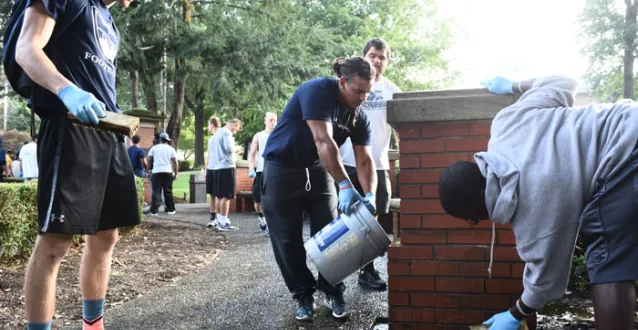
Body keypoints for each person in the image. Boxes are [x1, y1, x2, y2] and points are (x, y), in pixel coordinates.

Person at [437, 76, 638, 330]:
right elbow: (564, 81)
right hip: (628, 117)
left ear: (475, 206)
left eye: (473, 219)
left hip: (623, 154)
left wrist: (513, 315)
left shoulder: (530, 219)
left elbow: (545, 283)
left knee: (608, 258)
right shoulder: (505, 123)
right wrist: (514, 86)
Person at [12, 0, 138, 329]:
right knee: (55, 241)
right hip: (69, 124)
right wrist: (68, 92)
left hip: (108, 132)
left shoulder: (109, 23)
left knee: (106, 236)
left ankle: (92, 325)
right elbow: (26, 49)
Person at [261, 56, 378, 321]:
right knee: (287, 240)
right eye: (358, 91)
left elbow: (364, 159)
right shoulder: (317, 91)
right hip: (281, 169)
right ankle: (303, 294)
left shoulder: (360, 116)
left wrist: (370, 193)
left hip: (318, 170)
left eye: (367, 93)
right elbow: (322, 139)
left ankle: (332, 289)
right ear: (342, 82)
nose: (362, 98)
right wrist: (345, 184)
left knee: (333, 235)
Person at [339, 38, 400, 291]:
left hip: (378, 165)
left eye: (382, 57)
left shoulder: (392, 91)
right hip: (346, 163)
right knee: (342, 219)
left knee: (371, 221)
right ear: (364, 56)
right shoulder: (347, 84)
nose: (377, 60)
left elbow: (400, 131)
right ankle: (336, 273)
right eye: (373, 55)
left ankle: (367, 271)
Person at [209, 119, 243, 231]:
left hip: (218, 166)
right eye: (236, 129)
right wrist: (238, 148)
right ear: (234, 125)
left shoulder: (218, 133)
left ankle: (220, 221)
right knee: (226, 196)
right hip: (227, 166)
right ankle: (223, 223)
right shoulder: (227, 132)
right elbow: (229, 149)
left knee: (219, 196)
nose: (235, 132)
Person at [248, 112, 277, 236]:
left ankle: (272, 226)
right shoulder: (259, 136)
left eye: (275, 120)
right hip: (261, 171)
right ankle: (261, 218)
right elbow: (252, 154)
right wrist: (251, 168)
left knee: (273, 200)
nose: (273, 123)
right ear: (265, 121)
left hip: (274, 171)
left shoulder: (279, 135)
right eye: (270, 120)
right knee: (257, 201)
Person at [147, 132, 178, 216]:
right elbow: (175, 162)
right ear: (167, 140)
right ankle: (171, 209)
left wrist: (148, 172)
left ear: (160, 139)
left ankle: (154, 211)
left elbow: (149, 161)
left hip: (156, 172)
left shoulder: (154, 148)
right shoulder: (171, 149)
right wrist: (176, 173)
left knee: (156, 191)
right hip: (167, 172)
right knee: (168, 191)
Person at [204, 116, 221, 228]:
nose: (208, 127)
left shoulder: (222, 136)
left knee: (219, 195)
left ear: (213, 124)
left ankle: (221, 218)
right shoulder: (210, 139)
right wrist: (206, 169)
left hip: (219, 168)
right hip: (211, 169)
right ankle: (212, 218)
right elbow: (209, 155)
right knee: (212, 195)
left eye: (209, 124)